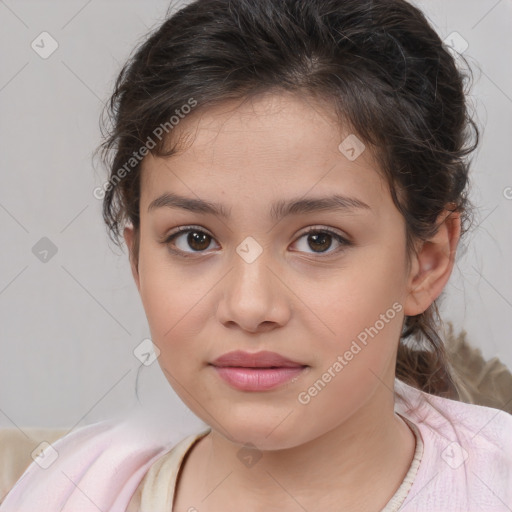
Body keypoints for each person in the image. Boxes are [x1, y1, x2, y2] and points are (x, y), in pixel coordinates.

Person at [2, 0, 511, 510]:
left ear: (426, 261)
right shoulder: (66, 491)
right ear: (137, 261)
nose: (249, 307)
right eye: (194, 239)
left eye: (319, 240)